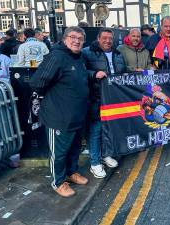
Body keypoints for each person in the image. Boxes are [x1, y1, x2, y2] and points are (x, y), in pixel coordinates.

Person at [29, 26, 91, 197]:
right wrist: (54, 99)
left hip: (77, 115)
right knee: (60, 152)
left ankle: (71, 173)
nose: (76, 41)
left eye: (80, 38)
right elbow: (37, 83)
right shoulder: (57, 56)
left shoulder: (78, 57)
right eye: (73, 37)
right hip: (59, 116)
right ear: (64, 39)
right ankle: (58, 182)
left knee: (74, 148)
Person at [82, 28, 126, 178]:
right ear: (98, 38)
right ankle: (95, 163)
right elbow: (81, 72)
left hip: (113, 98)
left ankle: (106, 155)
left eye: (110, 38)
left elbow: (124, 72)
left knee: (109, 129)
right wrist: (94, 74)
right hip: (96, 98)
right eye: (104, 38)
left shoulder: (118, 53)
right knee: (96, 131)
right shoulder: (87, 52)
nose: (108, 41)